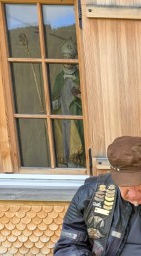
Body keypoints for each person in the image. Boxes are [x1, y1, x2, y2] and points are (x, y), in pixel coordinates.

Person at [51, 38, 84, 167]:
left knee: (78, 140)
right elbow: (55, 95)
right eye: (64, 57)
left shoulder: (80, 76)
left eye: (70, 58)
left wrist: (79, 96)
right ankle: (70, 166)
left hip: (77, 115)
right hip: (63, 115)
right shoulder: (59, 77)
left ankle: (80, 164)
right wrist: (52, 105)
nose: (67, 60)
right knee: (65, 141)